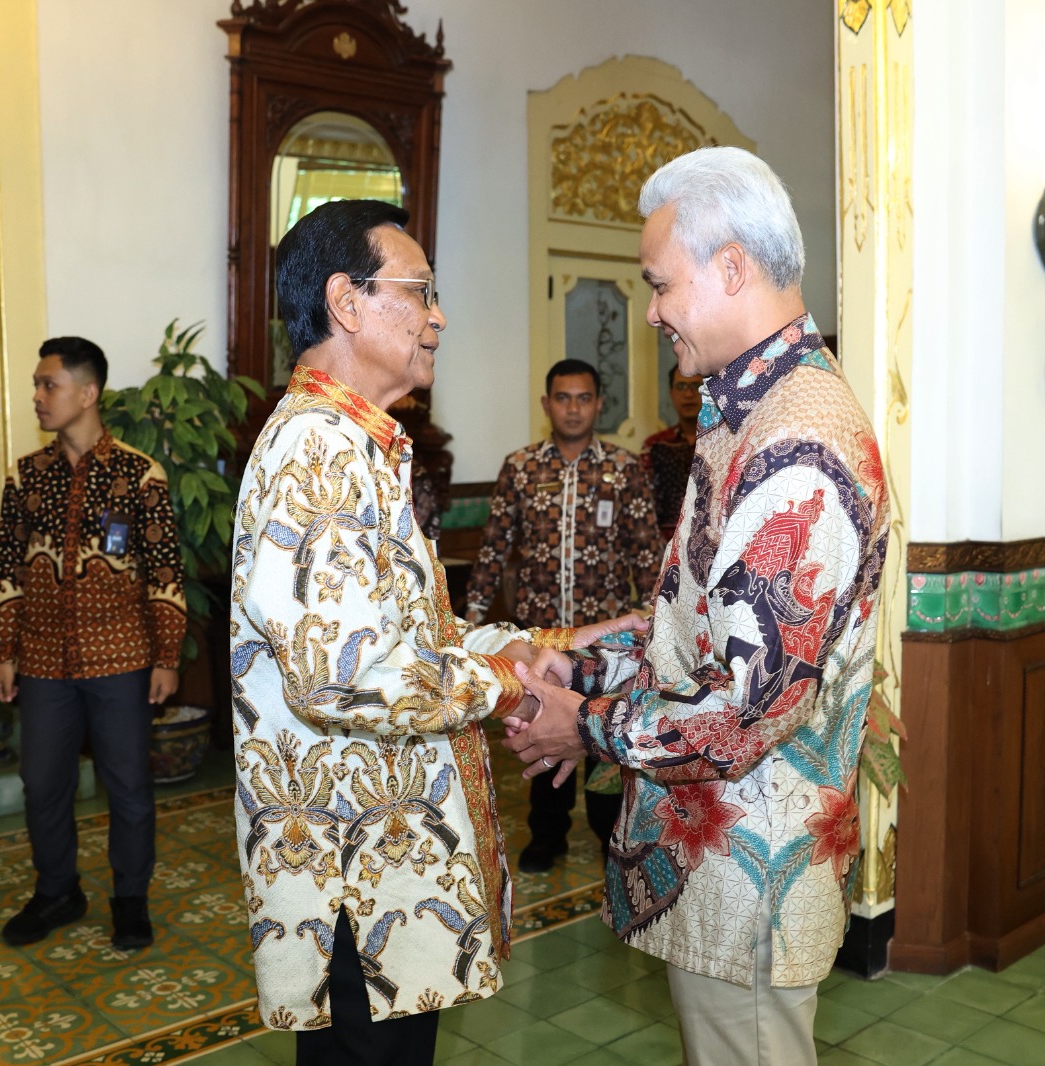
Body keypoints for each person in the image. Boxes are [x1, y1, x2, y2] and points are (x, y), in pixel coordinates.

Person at [502, 147, 890, 1066]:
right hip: (717, 860)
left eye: (659, 284)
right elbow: (706, 624)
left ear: (732, 268)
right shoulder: (745, 415)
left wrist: (582, 724)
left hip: (749, 873)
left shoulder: (798, 443)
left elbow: (742, 711)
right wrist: (585, 666)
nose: (652, 312)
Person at [229, 199, 638, 1065]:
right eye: (420, 291)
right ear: (347, 302)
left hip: (383, 865)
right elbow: (341, 676)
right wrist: (511, 689)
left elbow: (409, 636)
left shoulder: (356, 444)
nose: (438, 317)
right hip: (351, 874)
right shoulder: (317, 452)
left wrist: (537, 643)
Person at [0, 336, 186, 951]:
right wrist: (4, 651)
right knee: (42, 783)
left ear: (87, 393)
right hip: (42, 660)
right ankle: (57, 893)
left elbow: (164, 572)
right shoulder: (25, 475)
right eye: (37, 384)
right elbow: (8, 570)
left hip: (121, 659)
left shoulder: (139, 474)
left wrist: (167, 657)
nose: (37, 395)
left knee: (127, 786)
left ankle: (130, 901)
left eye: (48, 384)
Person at [465, 360, 661, 872]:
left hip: (604, 648)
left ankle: (608, 835)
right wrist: (472, 620)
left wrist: (657, 619)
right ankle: (545, 836)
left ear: (599, 404)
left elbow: (646, 551)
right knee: (540, 731)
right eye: (563, 397)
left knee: (602, 743)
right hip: (539, 641)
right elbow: (493, 551)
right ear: (546, 404)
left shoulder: (624, 469)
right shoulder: (521, 468)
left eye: (583, 398)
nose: (573, 408)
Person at [642, 365, 704, 543]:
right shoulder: (656, 445)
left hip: (710, 542)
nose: (688, 394)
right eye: (681, 386)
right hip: (664, 545)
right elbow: (644, 503)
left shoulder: (719, 443)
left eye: (695, 386)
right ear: (671, 393)